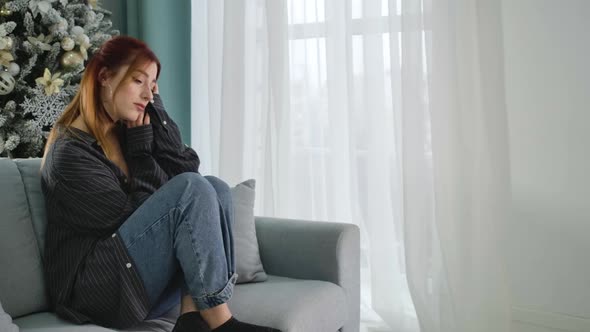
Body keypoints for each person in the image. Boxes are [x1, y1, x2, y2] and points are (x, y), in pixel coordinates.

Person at [41, 35, 280, 332]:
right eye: (138, 81)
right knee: (191, 189)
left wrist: (157, 110)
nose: (147, 95)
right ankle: (221, 323)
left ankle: (191, 317)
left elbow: (186, 167)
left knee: (215, 187)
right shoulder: (69, 155)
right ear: (104, 77)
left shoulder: (126, 131)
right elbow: (131, 222)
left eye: (153, 86)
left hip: (136, 284)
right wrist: (142, 155)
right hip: (96, 293)